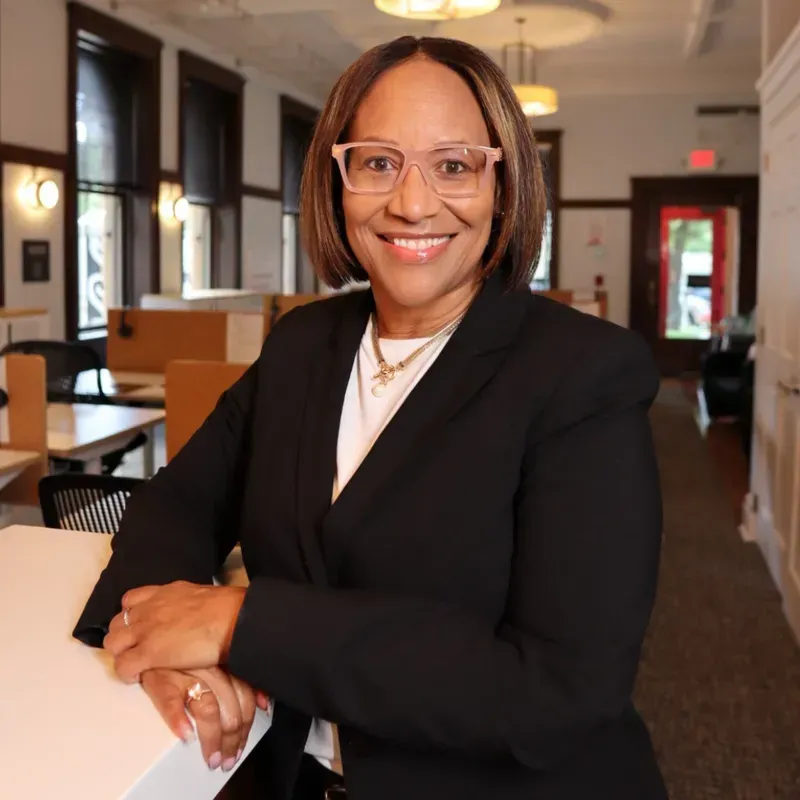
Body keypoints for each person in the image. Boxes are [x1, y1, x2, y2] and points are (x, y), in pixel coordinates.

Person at [75, 35, 668, 800]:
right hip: (290, 776)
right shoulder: (303, 344)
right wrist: (169, 654)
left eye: (453, 165)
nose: (412, 202)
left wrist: (239, 624)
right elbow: (179, 504)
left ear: (504, 183)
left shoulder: (583, 374)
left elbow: (556, 691)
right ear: (337, 179)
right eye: (378, 162)